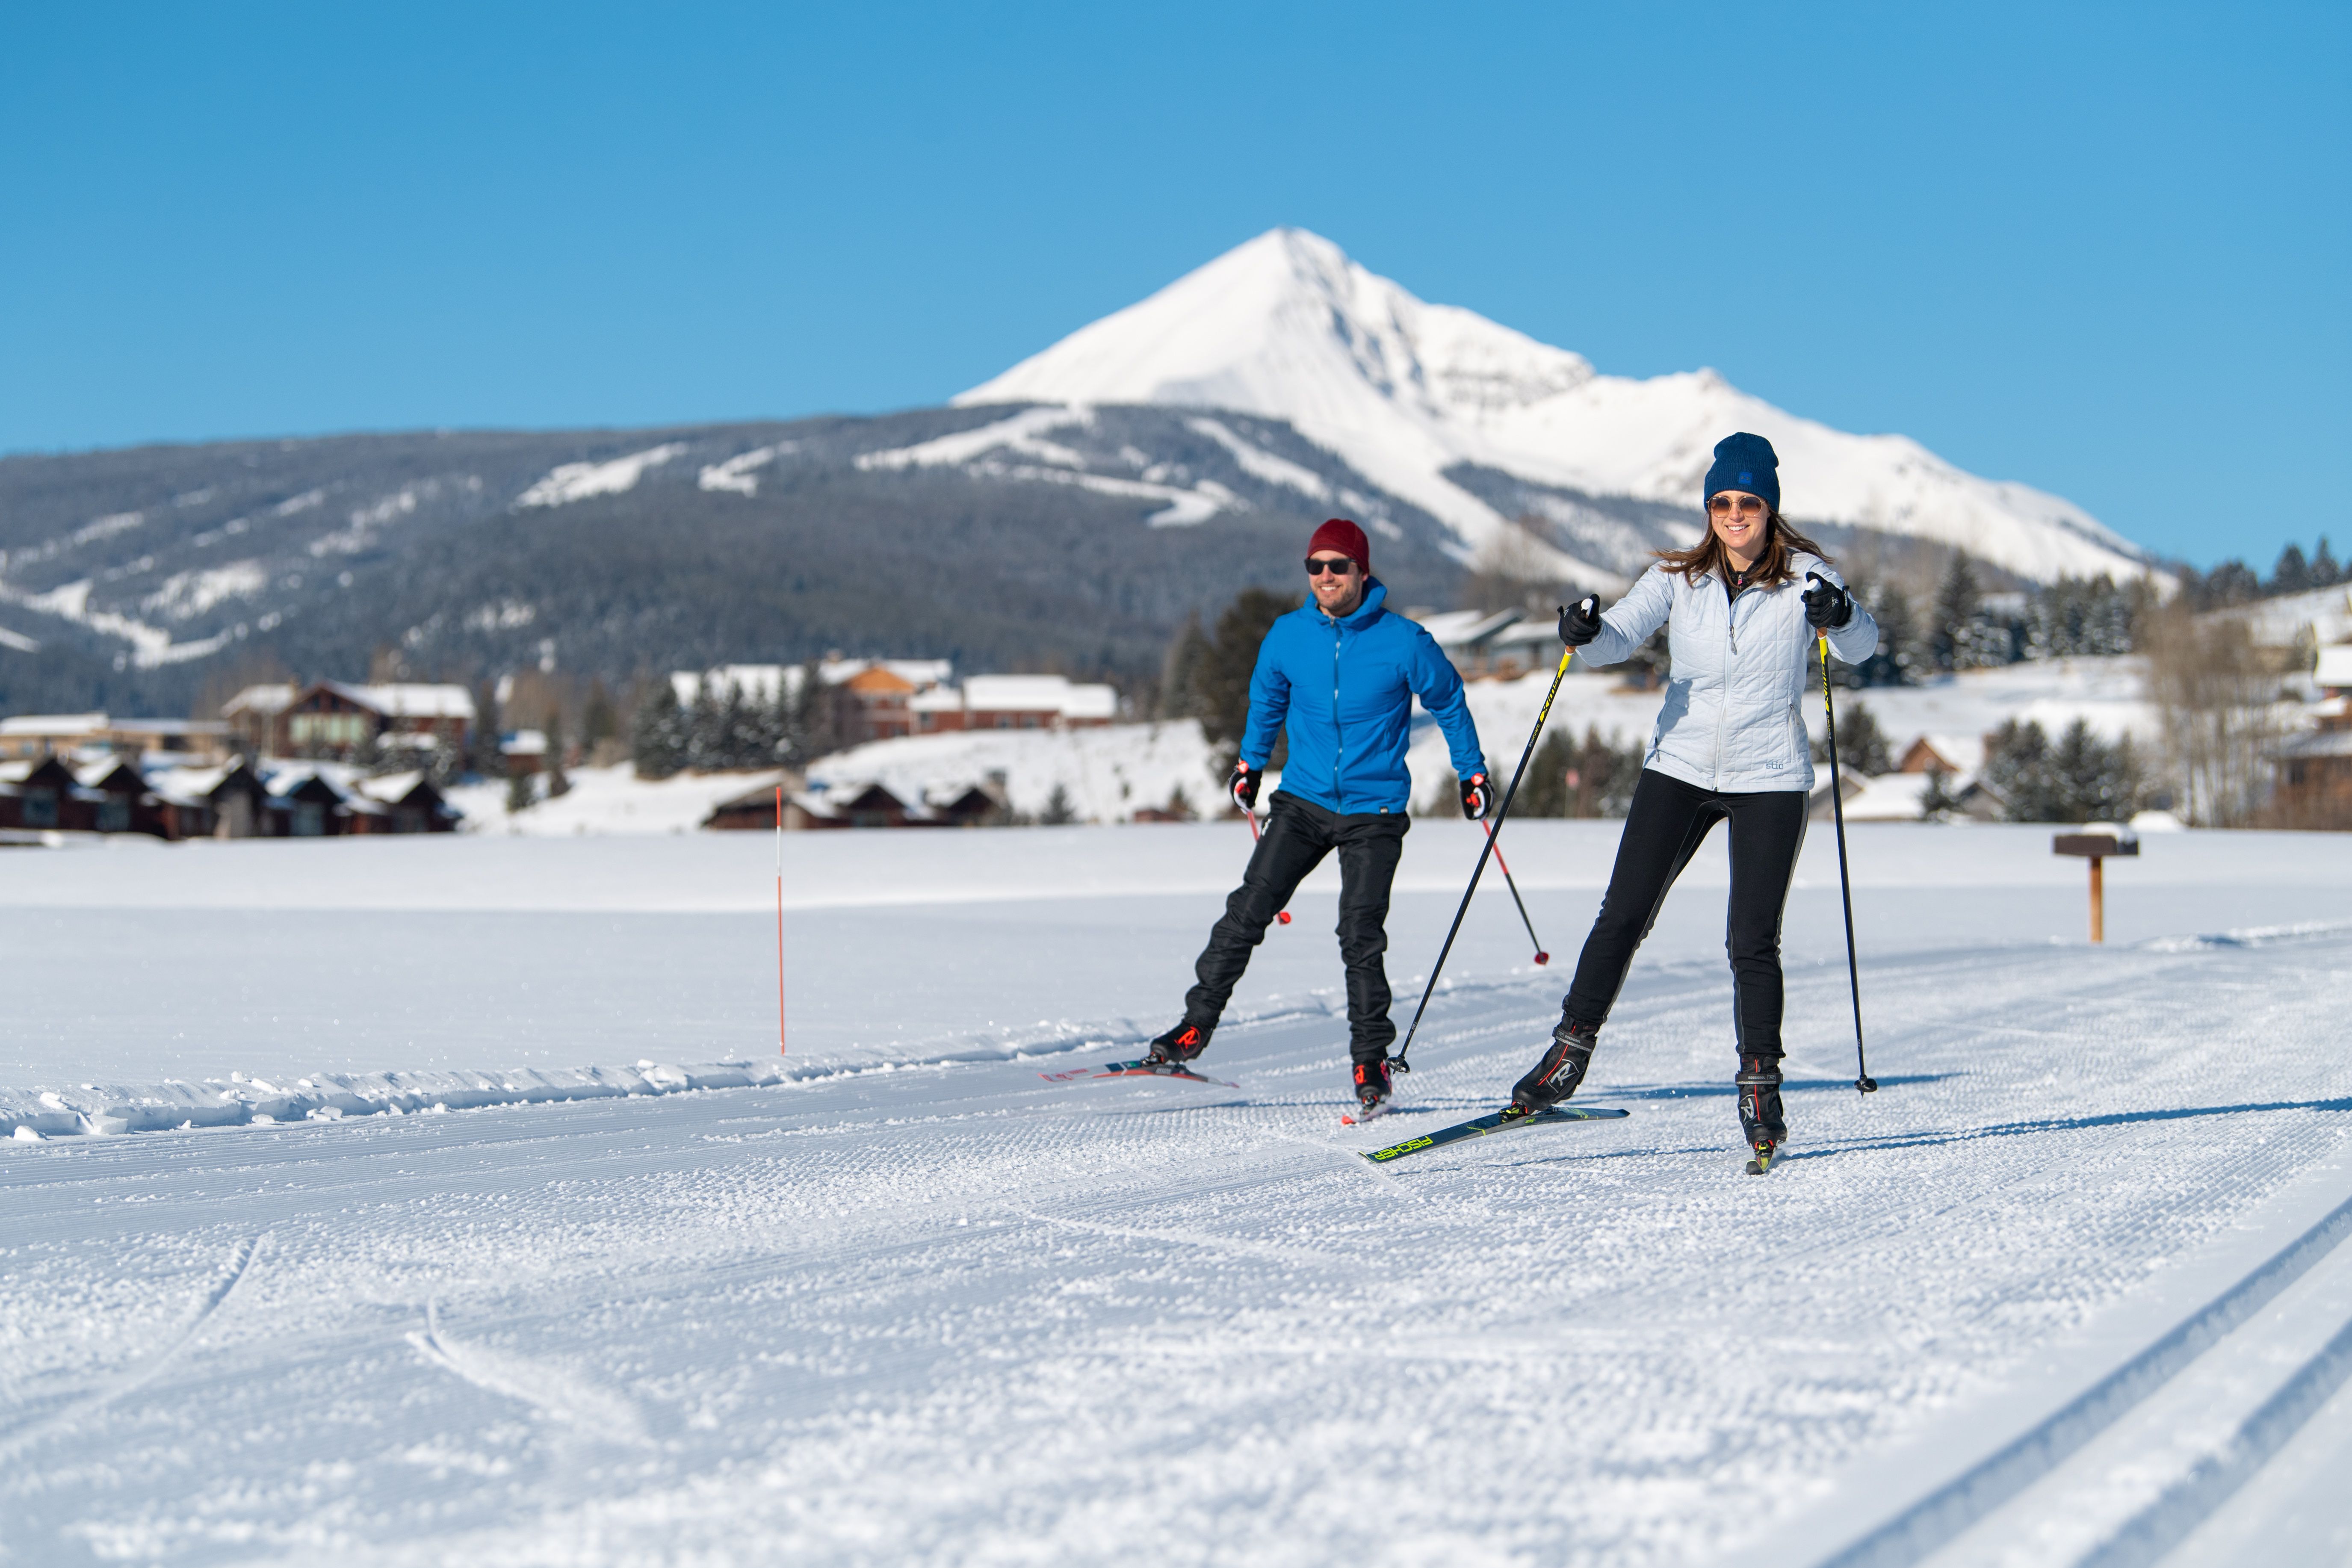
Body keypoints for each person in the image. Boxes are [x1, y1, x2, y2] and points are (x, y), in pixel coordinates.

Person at [1505, 432, 1878, 1170]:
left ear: (1769, 508)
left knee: (1752, 941)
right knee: (1624, 913)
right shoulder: (1677, 579)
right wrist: (1583, 633)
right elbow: (1617, 637)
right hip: (1678, 767)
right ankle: (1568, 1054)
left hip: (1769, 775)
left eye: (1747, 502)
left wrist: (1840, 616)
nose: (1733, 514)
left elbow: (1864, 644)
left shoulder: (1807, 579)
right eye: (1720, 501)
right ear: (1708, 507)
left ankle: (1760, 1087)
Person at [1146, 518, 1490, 1115]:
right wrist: (1250, 763)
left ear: (1362, 571)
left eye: (1338, 566)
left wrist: (1473, 772)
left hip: (1374, 810)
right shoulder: (1287, 635)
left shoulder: (1405, 640)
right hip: (1302, 802)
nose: (1326, 577)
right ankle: (1191, 1031)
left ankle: (1370, 1062)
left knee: (1359, 935)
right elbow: (1267, 702)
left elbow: (1450, 702)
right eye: (1316, 567)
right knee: (1245, 913)